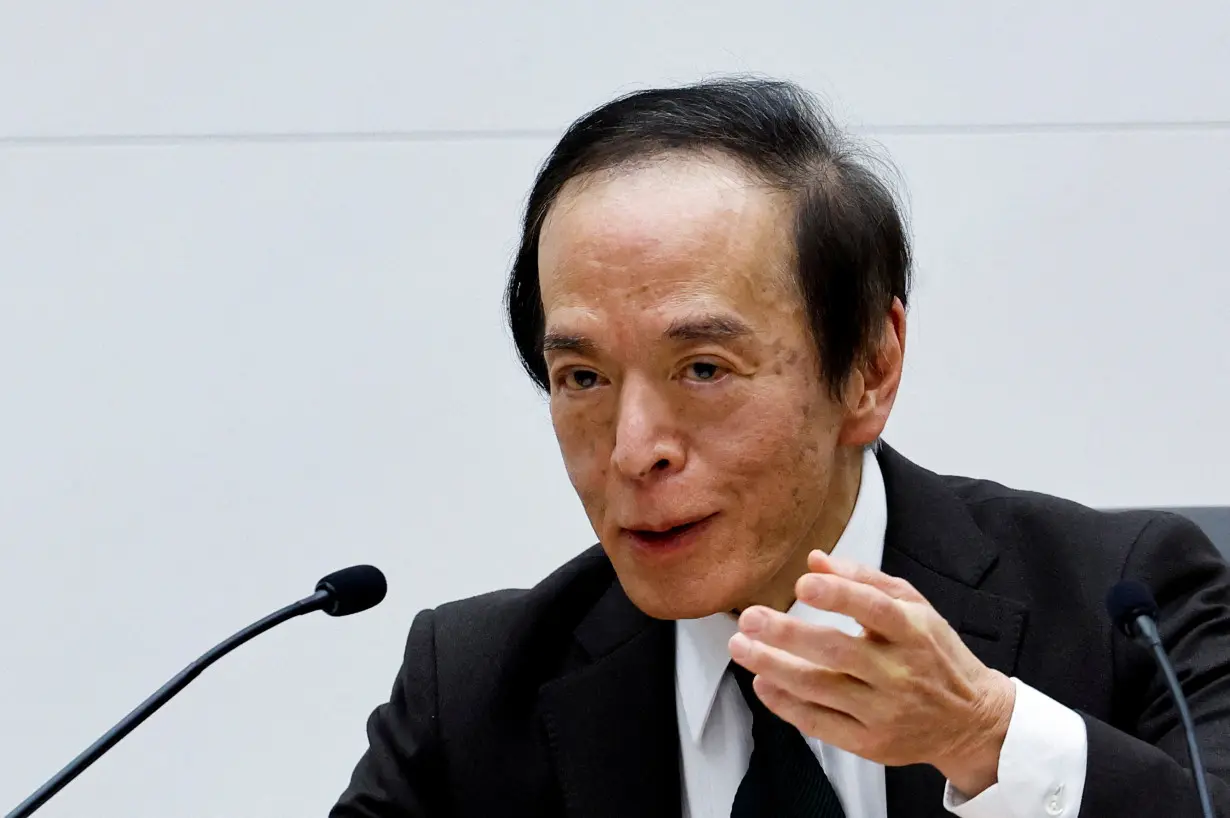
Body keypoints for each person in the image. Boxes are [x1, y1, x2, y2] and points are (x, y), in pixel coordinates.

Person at [328, 78, 1230, 818]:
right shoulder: (477, 687)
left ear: (870, 368)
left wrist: (986, 738)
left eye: (705, 368)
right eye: (584, 379)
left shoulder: (1125, 607)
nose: (633, 451)